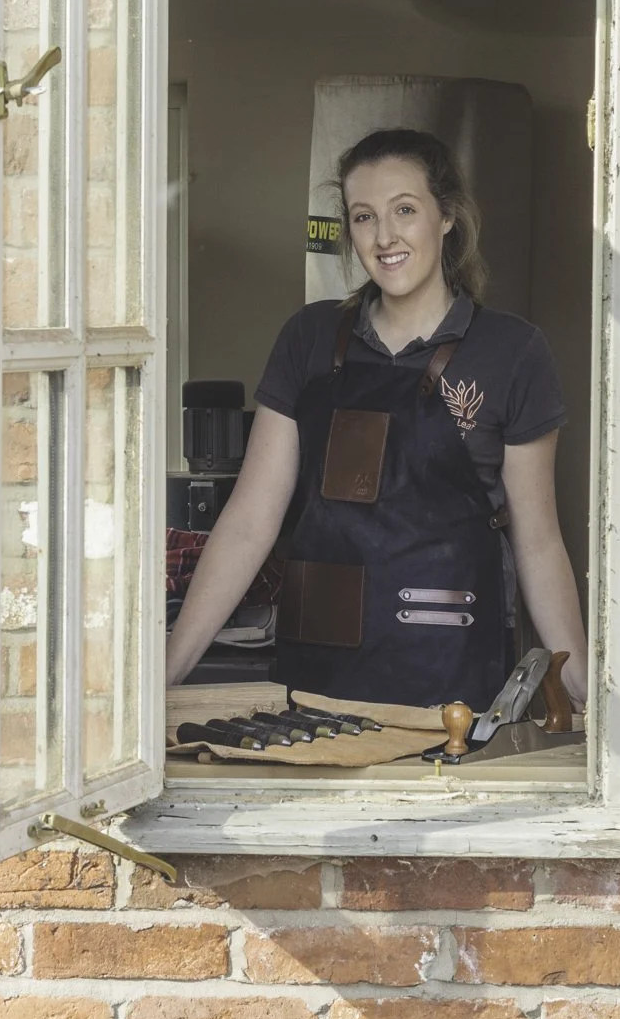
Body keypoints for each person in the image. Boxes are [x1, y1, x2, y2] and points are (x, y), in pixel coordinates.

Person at [165, 127, 588, 711]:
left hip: (453, 683)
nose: (385, 236)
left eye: (405, 210)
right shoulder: (307, 339)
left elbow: (537, 541)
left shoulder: (512, 352)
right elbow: (248, 522)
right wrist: (167, 674)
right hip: (316, 685)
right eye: (364, 217)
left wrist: (580, 693)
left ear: (446, 218)